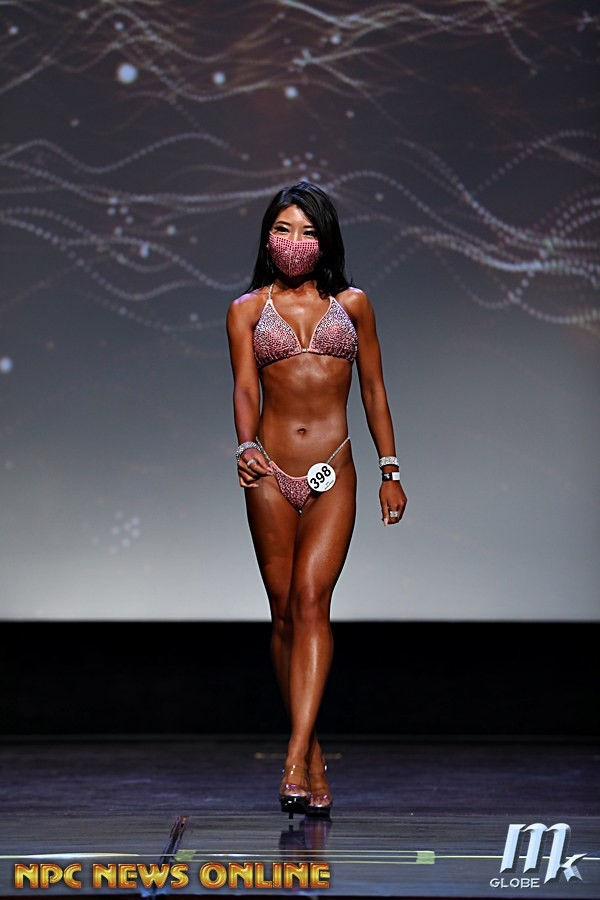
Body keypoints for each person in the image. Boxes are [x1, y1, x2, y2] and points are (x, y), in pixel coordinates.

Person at [226, 181, 407, 818]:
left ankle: (293, 756)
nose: (294, 242)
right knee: (282, 615)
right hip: (270, 473)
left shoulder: (353, 305)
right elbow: (244, 389)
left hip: (335, 468)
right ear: (267, 238)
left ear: (325, 239)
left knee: (311, 601)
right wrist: (245, 445)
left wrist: (389, 468)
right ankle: (315, 756)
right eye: (283, 229)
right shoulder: (247, 310)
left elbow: (374, 390)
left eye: (307, 231)